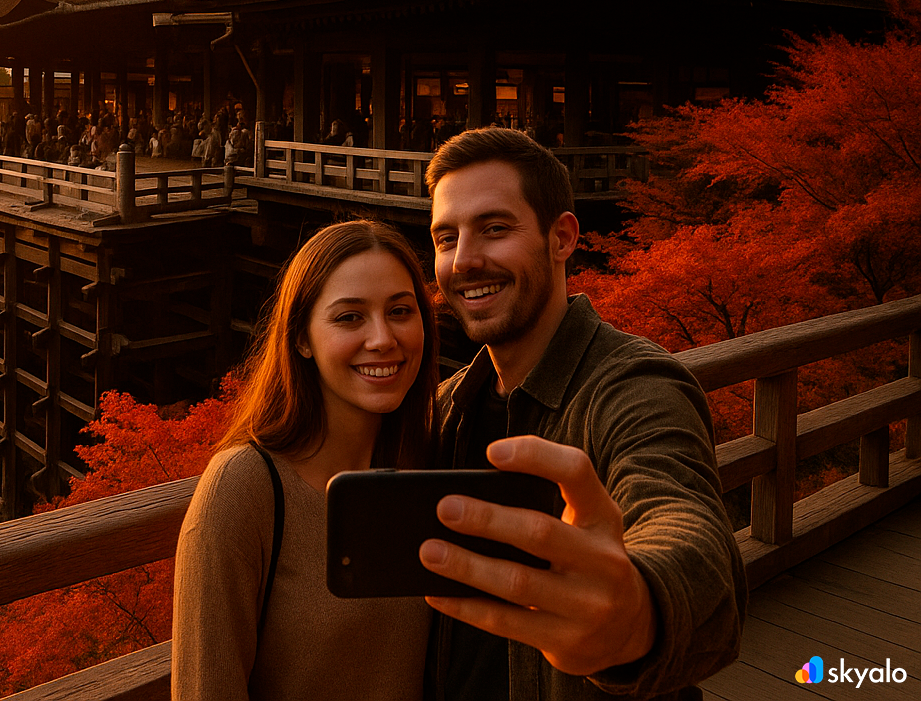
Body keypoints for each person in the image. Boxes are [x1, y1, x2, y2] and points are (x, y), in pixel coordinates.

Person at [420, 127, 745, 701]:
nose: (464, 260)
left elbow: (680, 514)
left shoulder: (633, 386)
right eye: (447, 238)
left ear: (562, 237)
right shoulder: (450, 408)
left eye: (495, 229)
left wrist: (640, 610)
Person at [173, 220, 438, 701]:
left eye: (400, 310)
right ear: (301, 338)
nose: (382, 338)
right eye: (349, 318)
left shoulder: (426, 464)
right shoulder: (244, 490)